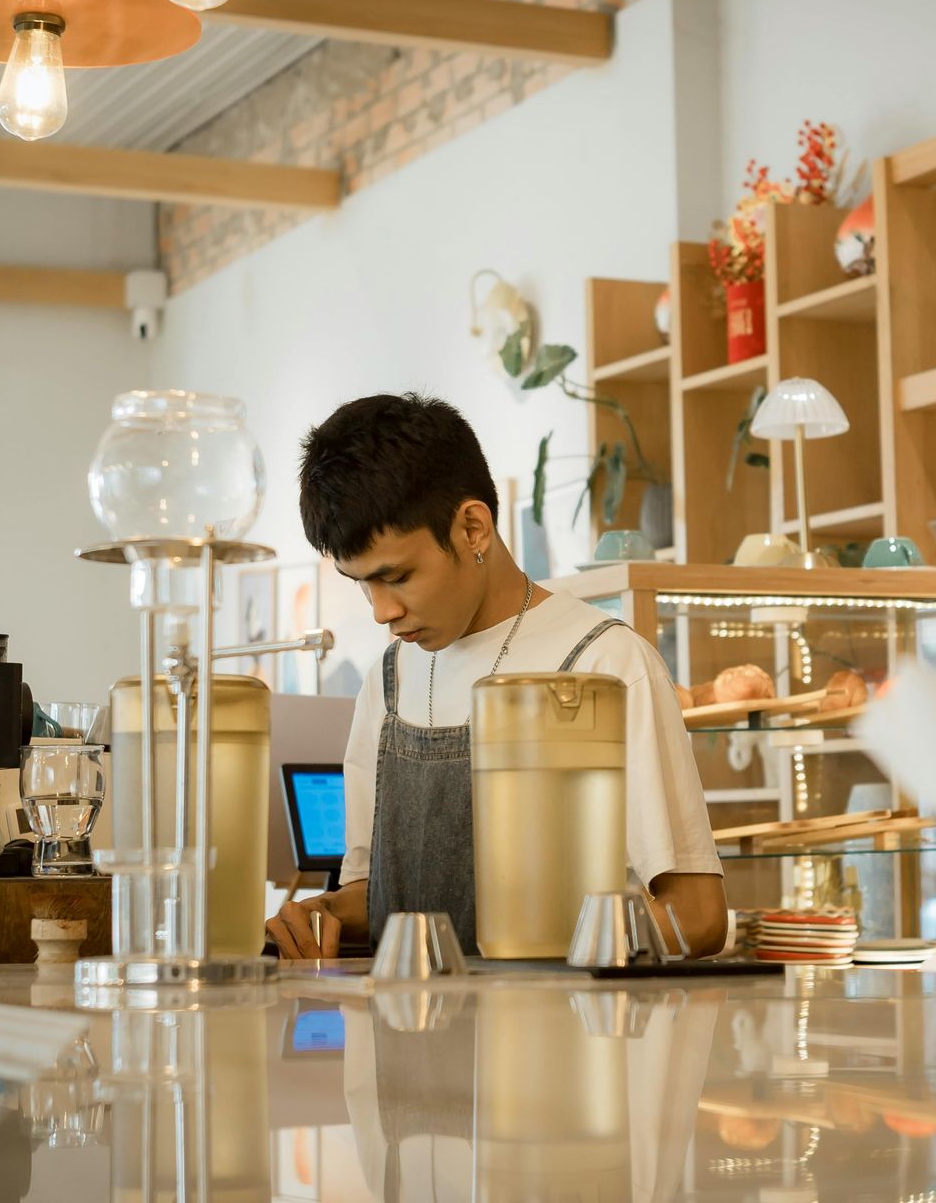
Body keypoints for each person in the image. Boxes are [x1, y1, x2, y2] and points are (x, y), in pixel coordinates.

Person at [265, 393, 726, 959]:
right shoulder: (389, 679)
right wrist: (321, 914)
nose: (381, 612)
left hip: (563, 1038)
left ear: (473, 527)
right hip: (407, 1038)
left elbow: (697, 917)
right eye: (361, 583)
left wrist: (546, 945)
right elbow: (378, 898)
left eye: (398, 576)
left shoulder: (604, 664)